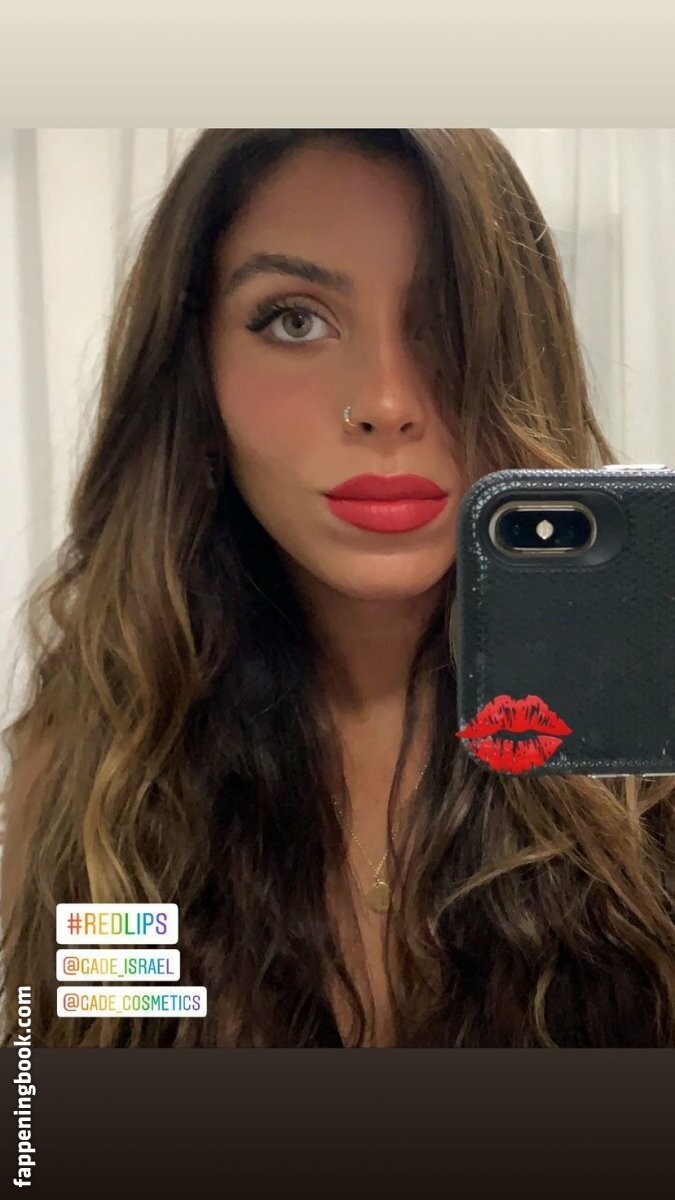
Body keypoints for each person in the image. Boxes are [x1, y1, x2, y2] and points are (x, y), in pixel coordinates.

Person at [1, 129, 673, 1049]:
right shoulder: (105, 774)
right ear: (197, 375)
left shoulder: (640, 755)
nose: (385, 402)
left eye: (448, 320)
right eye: (294, 320)